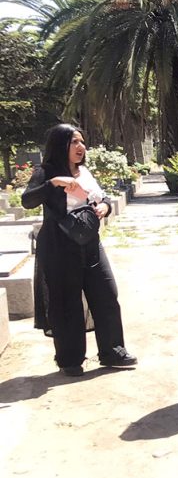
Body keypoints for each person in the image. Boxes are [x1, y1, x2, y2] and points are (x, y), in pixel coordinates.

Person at [21, 124, 137, 376]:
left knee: (106, 293)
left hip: (90, 244)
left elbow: (101, 198)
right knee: (67, 302)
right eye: (74, 142)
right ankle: (70, 359)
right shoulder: (46, 172)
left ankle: (112, 351)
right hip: (59, 248)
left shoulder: (84, 172)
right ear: (60, 145)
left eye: (82, 142)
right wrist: (53, 183)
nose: (80, 147)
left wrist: (105, 207)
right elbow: (27, 200)